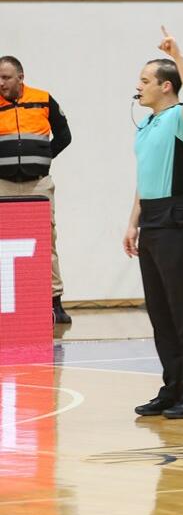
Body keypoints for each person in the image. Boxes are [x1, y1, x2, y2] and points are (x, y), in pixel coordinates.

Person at [125, 27, 183, 420]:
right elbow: (144, 179)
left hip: (178, 220)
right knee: (159, 311)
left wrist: (179, 55)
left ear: (165, 85)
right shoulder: (146, 126)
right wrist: (133, 222)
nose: (138, 87)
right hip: (153, 221)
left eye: (144, 81)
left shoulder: (181, 118)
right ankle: (173, 387)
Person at [0, 55, 72, 325]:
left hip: (39, 183)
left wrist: (44, 157)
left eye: (6, 77)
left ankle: (55, 302)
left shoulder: (43, 99)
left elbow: (64, 135)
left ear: (21, 77)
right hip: (3, 184)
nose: (1, 83)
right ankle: (7, 304)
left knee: (47, 240)